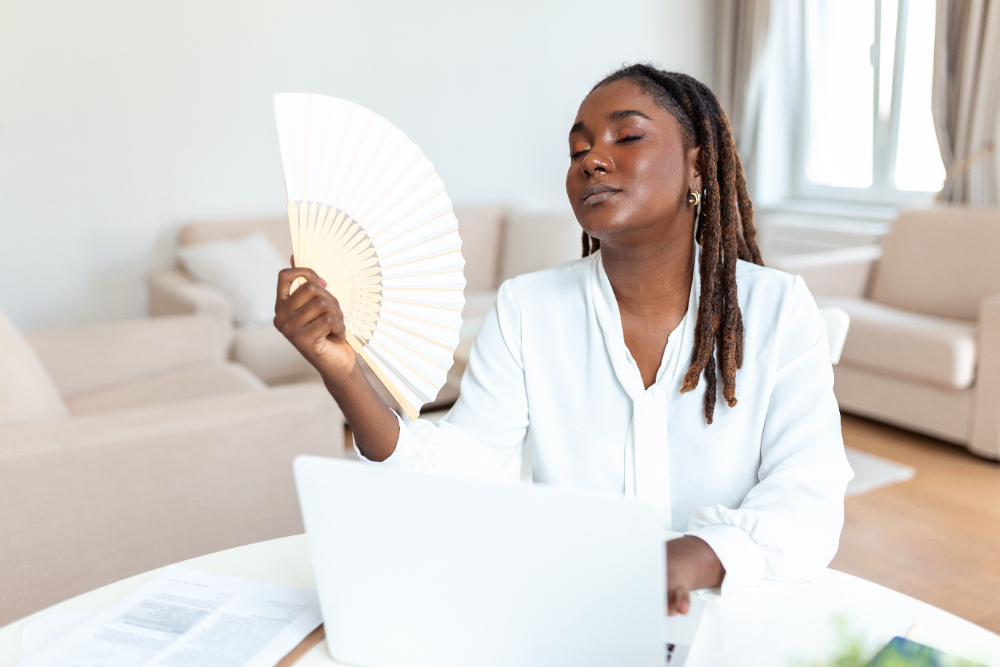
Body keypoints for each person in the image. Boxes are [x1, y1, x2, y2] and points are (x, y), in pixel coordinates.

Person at [273, 64, 853, 615]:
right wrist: (343, 369)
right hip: (575, 606)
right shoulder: (527, 308)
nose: (592, 160)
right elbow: (467, 477)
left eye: (626, 137)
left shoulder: (779, 307)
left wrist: (689, 559)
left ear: (697, 168)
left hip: (737, 606)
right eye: (578, 150)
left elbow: (810, 497)